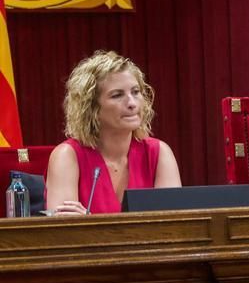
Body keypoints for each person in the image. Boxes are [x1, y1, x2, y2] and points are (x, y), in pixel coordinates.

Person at [45, 51, 181, 215]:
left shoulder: (159, 153)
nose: (132, 103)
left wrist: (89, 223)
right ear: (92, 107)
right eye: (117, 95)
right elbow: (62, 227)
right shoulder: (67, 156)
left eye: (135, 92)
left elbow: (173, 224)